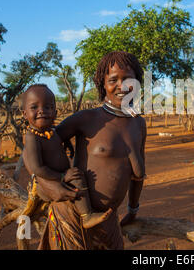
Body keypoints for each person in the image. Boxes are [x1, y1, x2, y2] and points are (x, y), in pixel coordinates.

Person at [54, 51, 147, 250]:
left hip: (107, 220)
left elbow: (138, 176)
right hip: (75, 219)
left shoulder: (139, 124)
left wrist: (132, 210)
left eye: (129, 80)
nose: (122, 86)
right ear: (102, 84)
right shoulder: (86, 119)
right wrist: (53, 182)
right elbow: (44, 143)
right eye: (113, 80)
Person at [21, 84, 113, 231]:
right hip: (49, 182)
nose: (42, 111)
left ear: (55, 113)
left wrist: (67, 143)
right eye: (34, 107)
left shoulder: (50, 131)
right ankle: (86, 216)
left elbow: (57, 140)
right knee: (77, 180)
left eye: (48, 107)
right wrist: (63, 176)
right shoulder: (32, 137)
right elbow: (37, 169)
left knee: (78, 175)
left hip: (60, 175)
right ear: (25, 114)